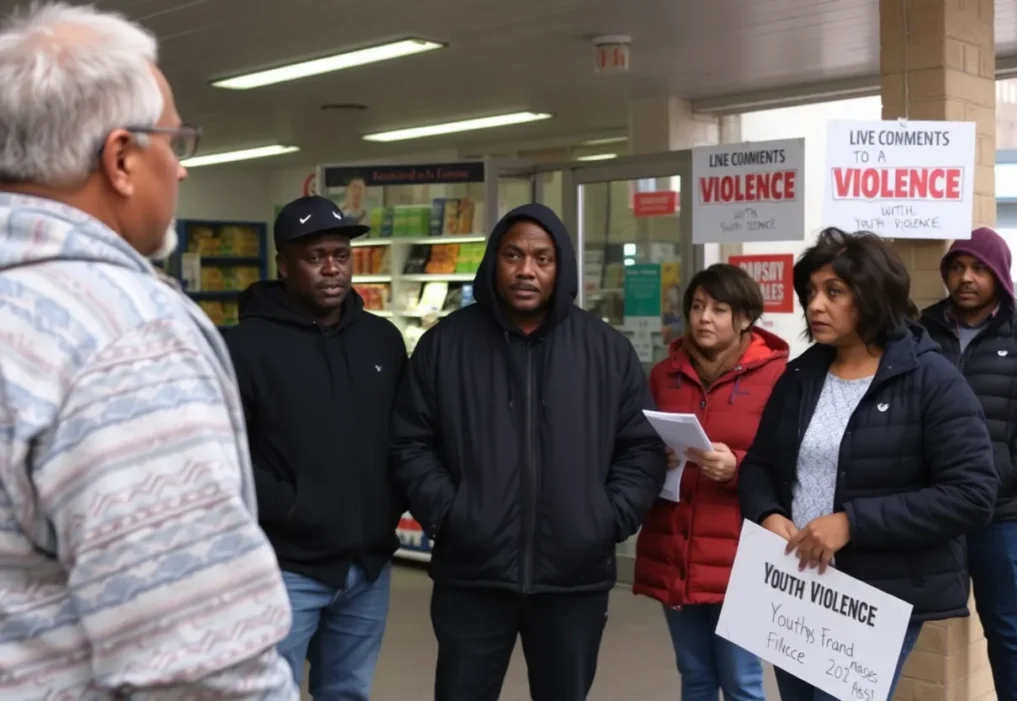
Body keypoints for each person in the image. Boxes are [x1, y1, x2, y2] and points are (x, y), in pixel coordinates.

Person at [0, 4, 296, 699]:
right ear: (122, 158)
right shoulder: (126, 339)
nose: (183, 170)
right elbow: (200, 662)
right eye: (177, 141)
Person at [390, 202, 666, 701]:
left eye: (542, 258)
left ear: (560, 268)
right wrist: (452, 515)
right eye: (513, 255)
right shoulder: (444, 346)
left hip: (573, 578)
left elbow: (641, 447)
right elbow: (411, 441)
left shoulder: (605, 351)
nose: (526, 270)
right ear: (494, 260)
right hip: (472, 575)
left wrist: (604, 518)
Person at [737, 227, 998, 701]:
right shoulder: (800, 375)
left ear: (873, 296)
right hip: (795, 586)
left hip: (877, 597)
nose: (815, 305)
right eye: (811, 292)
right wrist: (768, 514)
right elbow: (757, 465)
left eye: (834, 292)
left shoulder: (932, 379)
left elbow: (973, 494)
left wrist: (850, 523)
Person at [223, 195, 408, 700]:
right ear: (283, 265)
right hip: (285, 566)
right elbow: (223, 456)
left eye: (340, 255)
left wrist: (390, 505)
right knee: (267, 693)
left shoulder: (382, 340)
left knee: (348, 692)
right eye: (314, 257)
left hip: (368, 567)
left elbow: (405, 435)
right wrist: (295, 506)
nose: (332, 268)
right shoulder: (244, 349)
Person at [635, 264, 789, 701]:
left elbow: (789, 462)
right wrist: (655, 455)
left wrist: (736, 467)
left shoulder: (777, 377)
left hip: (741, 551)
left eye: (719, 309)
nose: (704, 317)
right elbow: (641, 442)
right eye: (698, 306)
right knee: (695, 675)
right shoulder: (665, 374)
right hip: (675, 545)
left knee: (741, 680)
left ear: (744, 318)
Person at [919, 226, 1017, 701]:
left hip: (1002, 516)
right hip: (931, 512)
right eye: (957, 266)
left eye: (978, 268)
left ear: (998, 275)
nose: (965, 277)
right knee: (898, 621)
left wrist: (997, 477)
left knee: (1009, 633)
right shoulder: (921, 331)